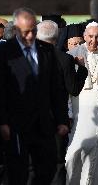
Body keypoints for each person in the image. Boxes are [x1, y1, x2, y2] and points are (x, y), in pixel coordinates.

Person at [0, 8, 69, 185]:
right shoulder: (4, 52)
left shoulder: (46, 51)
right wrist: (2, 121)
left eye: (34, 30)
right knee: (19, 170)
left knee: (46, 168)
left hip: (43, 122)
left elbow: (55, 88)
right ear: (16, 30)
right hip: (16, 123)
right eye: (26, 32)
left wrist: (62, 119)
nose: (30, 36)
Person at [36, 20, 88, 185]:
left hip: (32, 118)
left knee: (33, 163)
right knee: (58, 164)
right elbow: (73, 89)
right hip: (58, 119)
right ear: (57, 38)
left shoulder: (28, 56)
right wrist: (83, 69)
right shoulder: (64, 59)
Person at [65, 21, 98, 185]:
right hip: (80, 116)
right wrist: (68, 113)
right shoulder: (72, 55)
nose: (94, 40)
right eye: (90, 36)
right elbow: (68, 88)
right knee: (73, 155)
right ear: (84, 36)